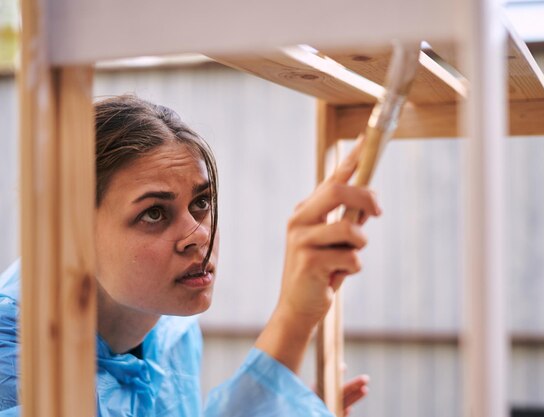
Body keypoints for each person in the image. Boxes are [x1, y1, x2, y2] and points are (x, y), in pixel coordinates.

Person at [0, 95, 381, 416]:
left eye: (201, 203)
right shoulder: (18, 365)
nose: (198, 237)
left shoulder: (170, 328)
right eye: (153, 213)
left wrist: (280, 401)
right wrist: (294, 317)